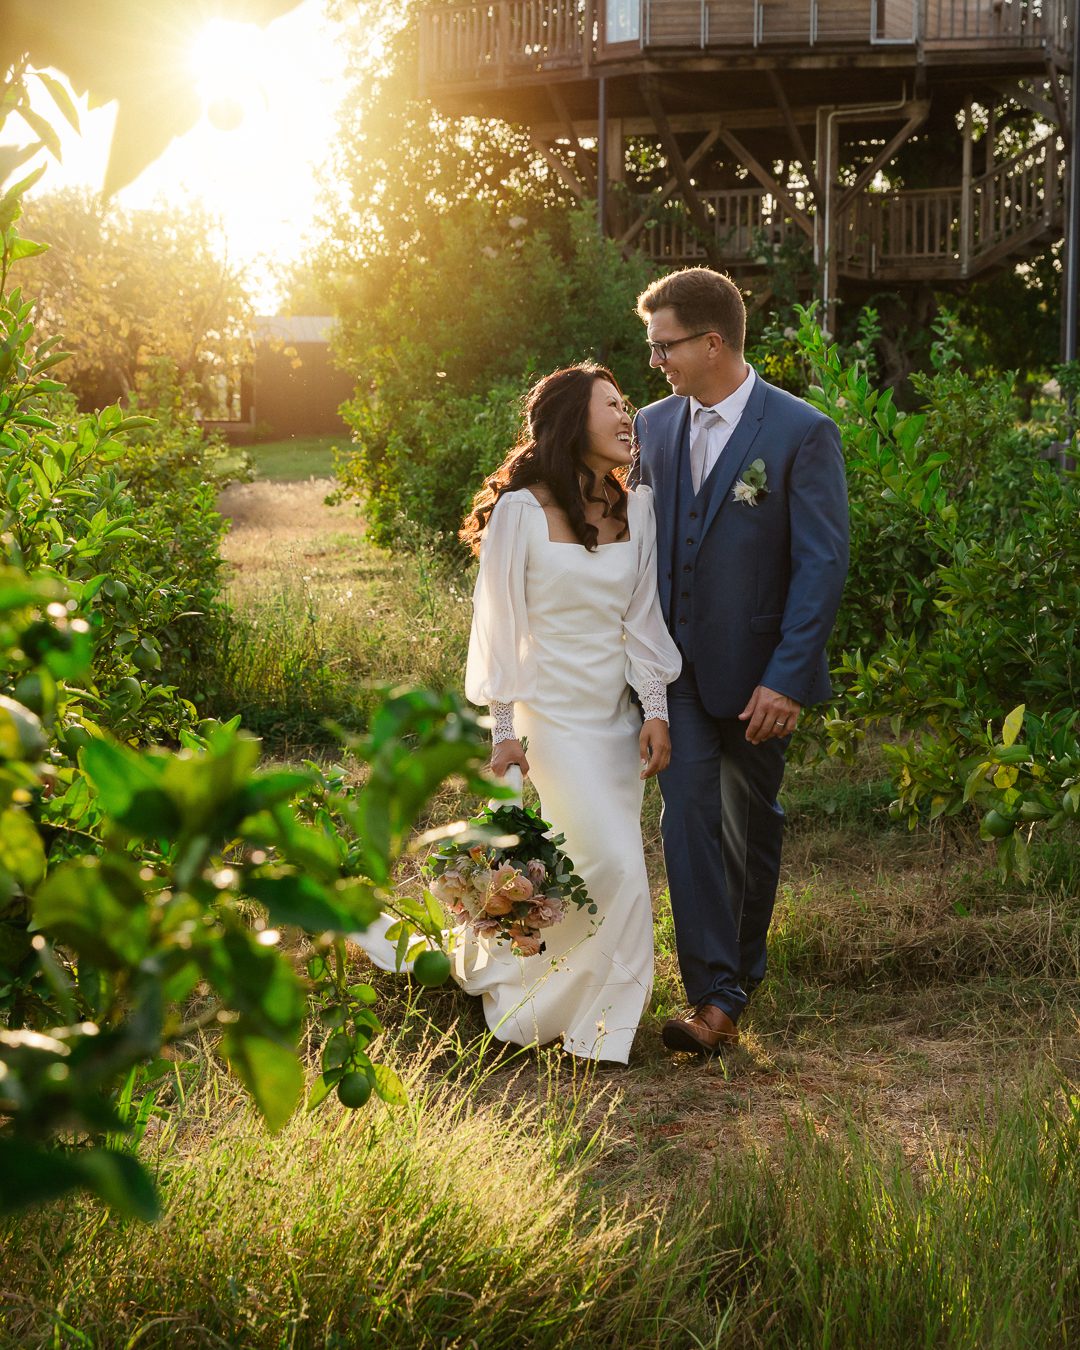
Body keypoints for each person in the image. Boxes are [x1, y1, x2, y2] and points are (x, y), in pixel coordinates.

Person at [632, 267, 849, 1056]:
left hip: (760, 674)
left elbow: (822, 564)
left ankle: (742, 970)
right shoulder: (652, 428)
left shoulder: (799, 431)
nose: (656, 362)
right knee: (686, 818)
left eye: (666, 347)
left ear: (712, 341)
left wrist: (788, 677)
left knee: (751, 825)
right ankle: (715, 997)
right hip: (672, 673)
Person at [447, 362, 682, 1063]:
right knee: (613, 867)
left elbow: (643, 622)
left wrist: (656, 710)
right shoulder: (521, 509)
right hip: (552, 721)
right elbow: (499, 625)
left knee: (596, 872)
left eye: (626, 404)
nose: (625, 416)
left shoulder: (636, 509)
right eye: (610, 405)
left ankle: (581, 1012)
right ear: (572, 419)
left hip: (613, 722)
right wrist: (505, 733)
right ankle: (568, 1019)